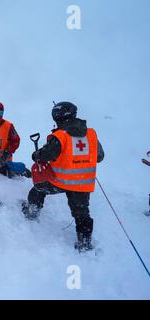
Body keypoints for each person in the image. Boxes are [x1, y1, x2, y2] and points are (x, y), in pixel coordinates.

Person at [21, 101, 104, 252]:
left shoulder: (60, 136)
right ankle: (84, 243)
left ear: (57, 116)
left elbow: (45, 155)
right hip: (83, 184)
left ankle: (32, 211)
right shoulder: (91, 133)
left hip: (60, 181)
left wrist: (36, 154)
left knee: (38, 189)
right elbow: (100, 156)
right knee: (82, 213)